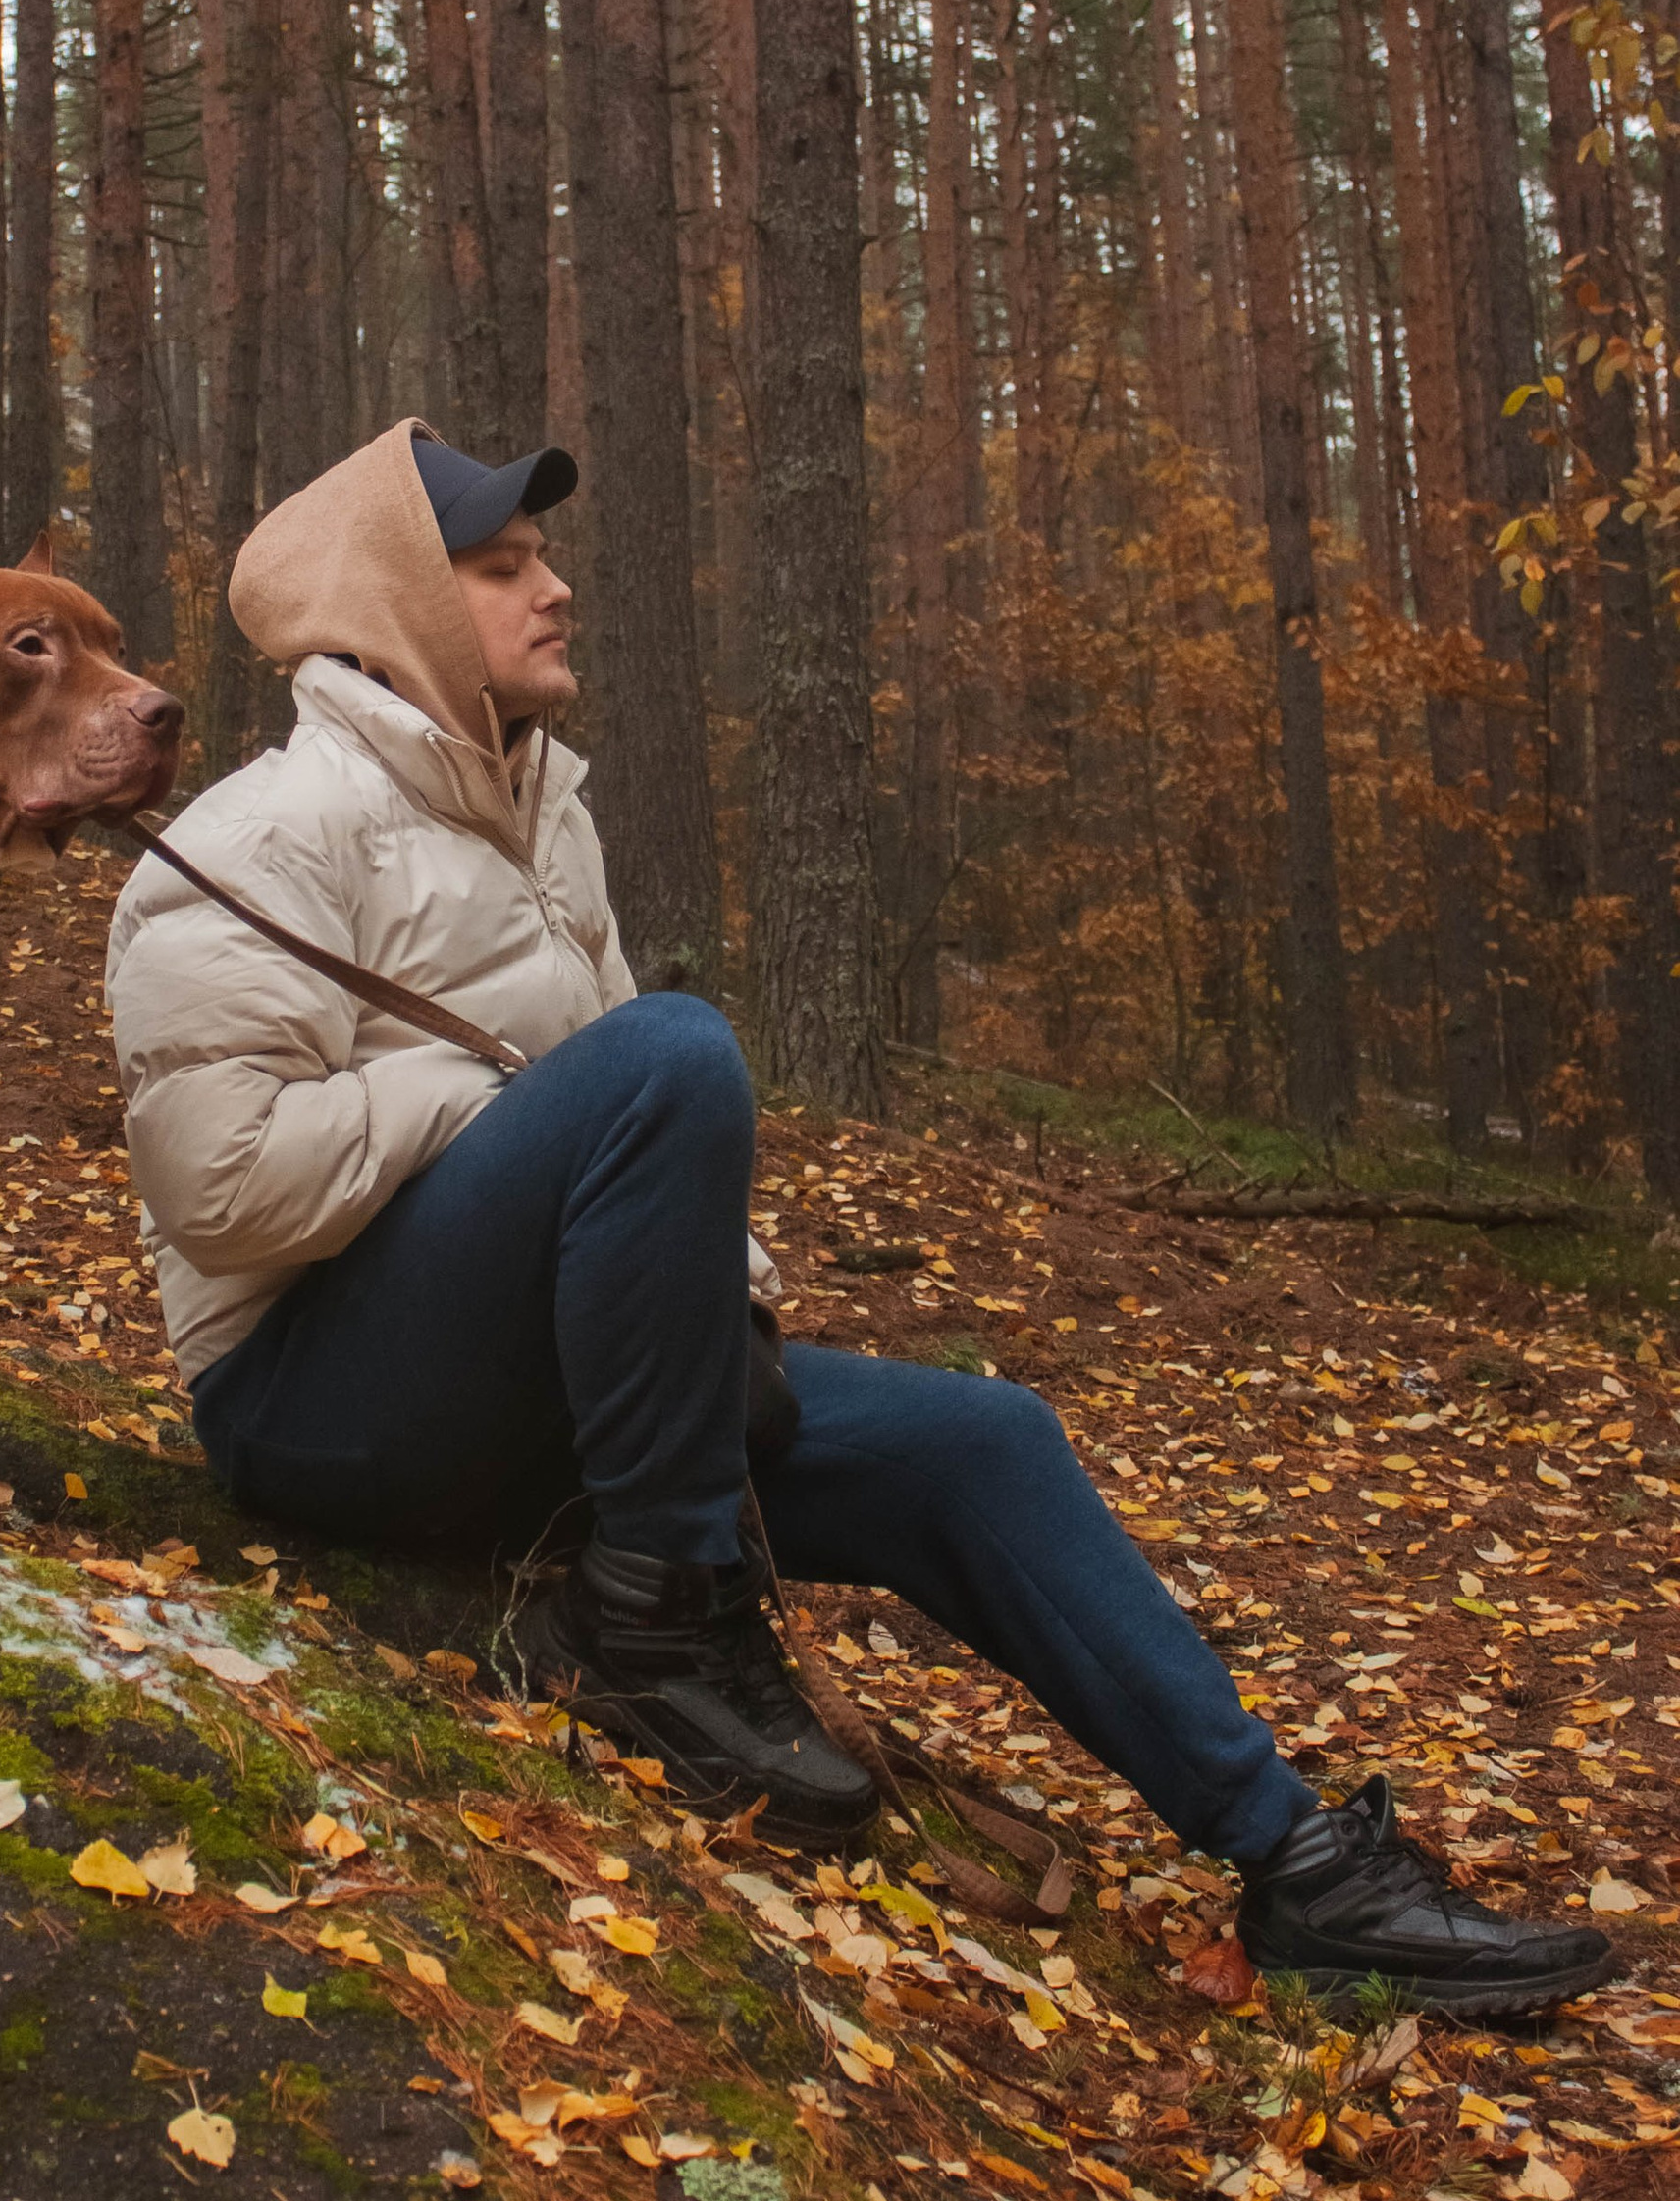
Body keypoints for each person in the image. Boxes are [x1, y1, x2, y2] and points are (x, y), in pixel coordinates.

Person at [106, 422, 1612, 2018]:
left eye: (542, 558)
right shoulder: (260, 835)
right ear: (402, 608)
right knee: (671, 1049)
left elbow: (611, 1135)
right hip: (317, 1405)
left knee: (983, 1437)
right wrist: (487, 1094)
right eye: (505, 567)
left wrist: (711, 1294)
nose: (557, 591)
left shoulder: (544, 815)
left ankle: (1302, 1869)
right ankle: (661, 1629)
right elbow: (222, 1191)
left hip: (532, 1382)